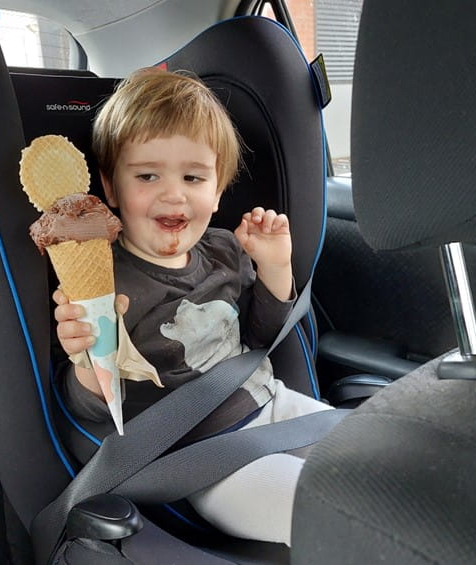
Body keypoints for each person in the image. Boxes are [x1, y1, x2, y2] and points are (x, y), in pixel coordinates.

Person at [53, 67, 332, 546]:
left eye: (193, 176)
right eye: (147, 175)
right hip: (200, 459)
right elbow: (91, 409)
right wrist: (85, 360)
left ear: (218, 189)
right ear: (112, 186)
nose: (173, 193)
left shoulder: (225, 249)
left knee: (377, 465)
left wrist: (274, 268)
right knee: (330, 512)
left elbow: (264, 337)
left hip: (274, 405)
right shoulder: (103, 278)